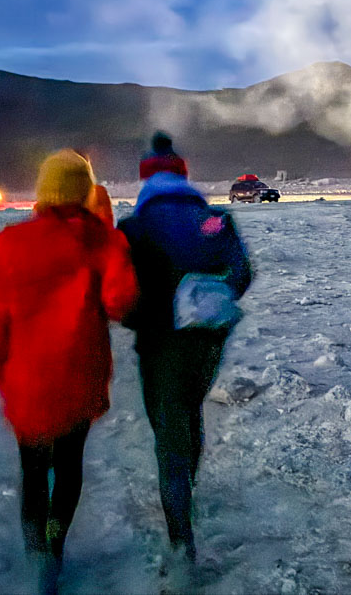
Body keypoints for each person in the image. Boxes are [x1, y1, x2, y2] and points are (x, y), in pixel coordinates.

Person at [0, 150, 138, 592]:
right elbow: (122, 304)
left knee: (33, 469)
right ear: (84, 190)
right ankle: (54, 544)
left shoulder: (9, 244)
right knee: (68, 467)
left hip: (27, 383)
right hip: (80, 378)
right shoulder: (103, 242)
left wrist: (6, 379)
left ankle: (35, 557)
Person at [118, 133, 252, 564]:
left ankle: (181, 545)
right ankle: (186, 491)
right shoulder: (214, 219)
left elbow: (123, 292)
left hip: (159, 344)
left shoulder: (135, 227)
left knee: (168, 433)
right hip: (209, 339)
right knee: (190, 412)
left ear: (146, 181)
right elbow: (243, 273)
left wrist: (141, 316)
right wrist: (209, 295)